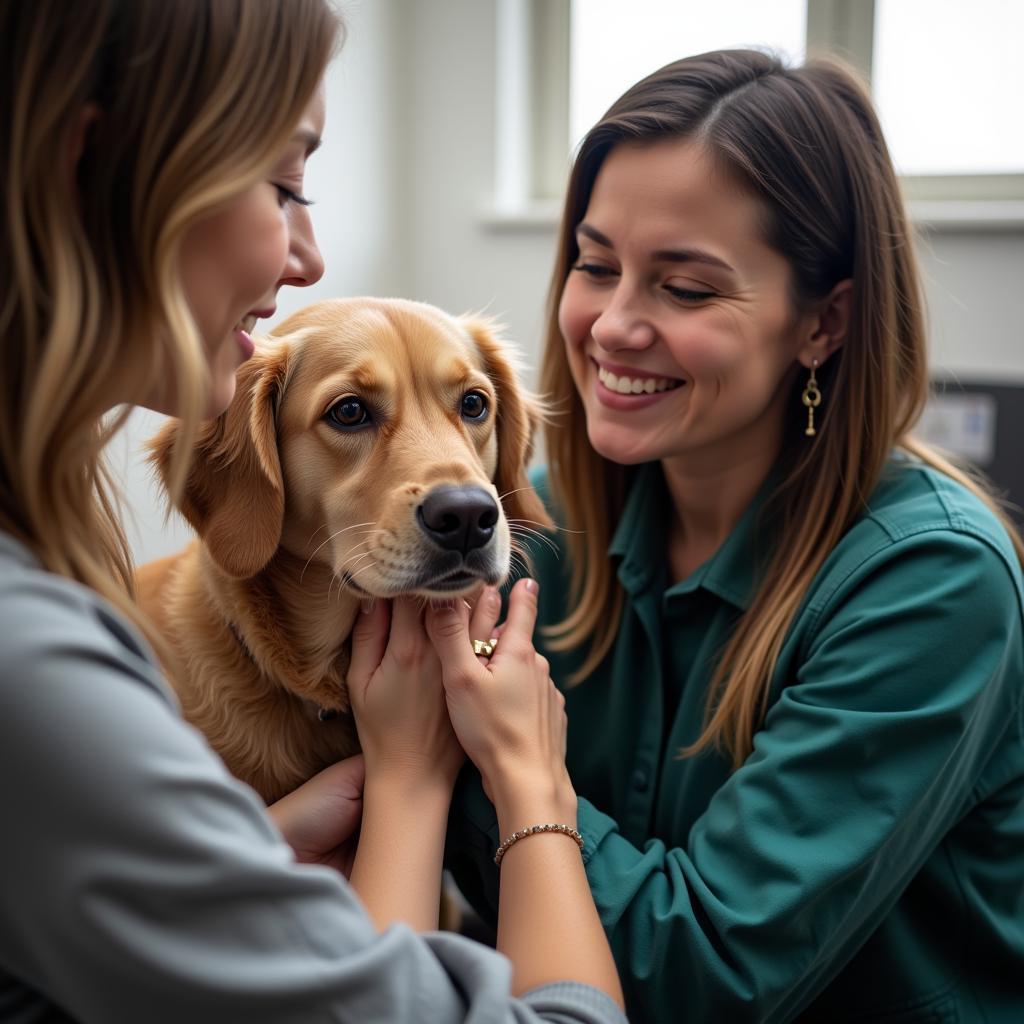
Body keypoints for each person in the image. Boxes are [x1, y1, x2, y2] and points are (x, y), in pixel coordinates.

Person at [0, 2, 625, 1021]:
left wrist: (269, 847)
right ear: (92, 168)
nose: (308, 254)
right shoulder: (46, 662)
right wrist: (525, 785)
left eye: (470, 409)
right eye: (283, 183)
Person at [445, 49, 1024, 1022]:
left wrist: (505, 769)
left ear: (823, 323)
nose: (613, 326)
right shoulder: (535, 526)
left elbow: (697, 978)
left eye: (686, 288)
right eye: (595, 266)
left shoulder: (933, 578)